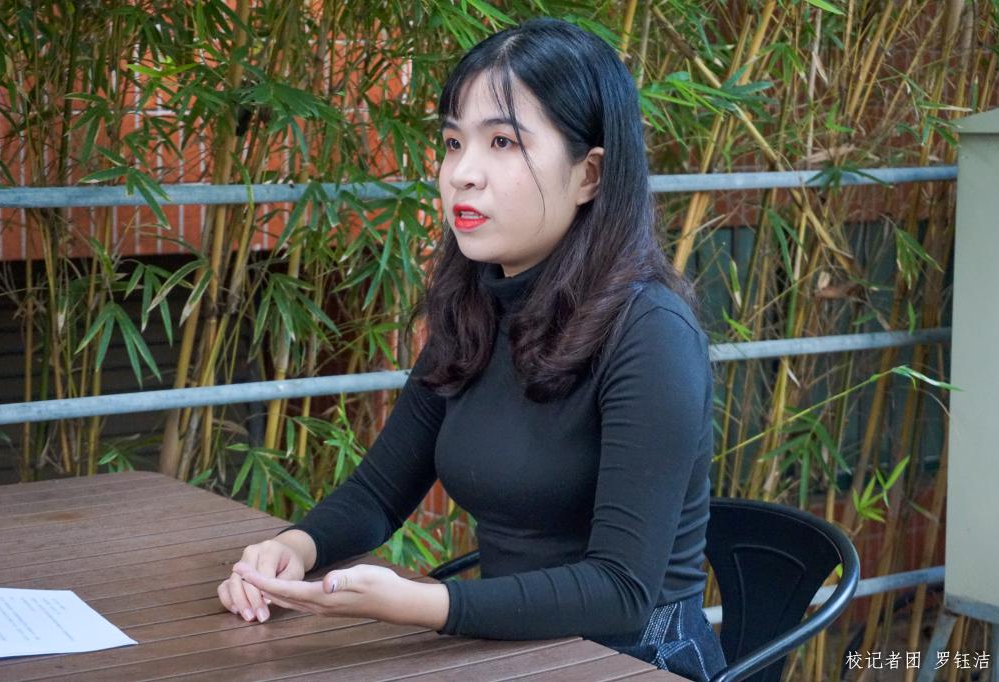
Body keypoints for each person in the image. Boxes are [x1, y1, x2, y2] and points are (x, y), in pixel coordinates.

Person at [219, 17, 727, 680]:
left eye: (502, 142)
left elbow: (621, 590)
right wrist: (296, 546)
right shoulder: (477, 305)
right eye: (454, 142)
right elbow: (379, 492)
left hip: (636, 660)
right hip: (515, 652)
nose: (462, 173)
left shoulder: (651, 332)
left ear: (590, 175)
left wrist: (426, 605)